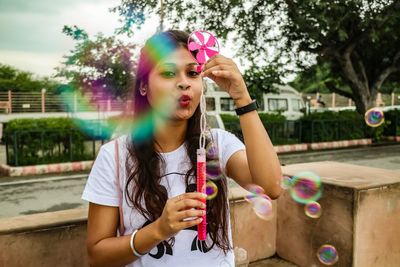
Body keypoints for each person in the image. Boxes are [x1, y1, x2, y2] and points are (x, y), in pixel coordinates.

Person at [82, 30, 282, 267]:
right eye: (168, 73)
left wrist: (243, 99)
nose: (184, 83)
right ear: (144, 87)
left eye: (192, 73)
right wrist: (159, 229)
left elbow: (271, 187)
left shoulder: (217, 143)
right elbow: (97, 255)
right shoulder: (114, 156)